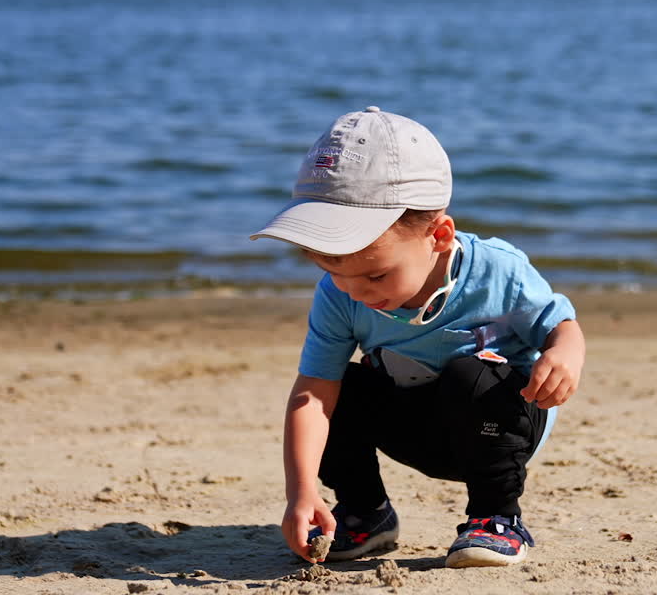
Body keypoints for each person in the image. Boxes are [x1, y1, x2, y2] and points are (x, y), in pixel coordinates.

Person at [250, 106, 585, 568]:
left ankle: (496, 519)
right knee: (338, 390)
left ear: (439, 236)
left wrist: (565, 354)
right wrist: (300, 490)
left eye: (377, 275)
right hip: (417, 428)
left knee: (471, 374)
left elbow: (561, 327)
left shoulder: (497, 270)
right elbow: (312, 393)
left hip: (501, 427)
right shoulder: (340, 293)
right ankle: (367, 516)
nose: (356, 292)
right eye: (332, 269)